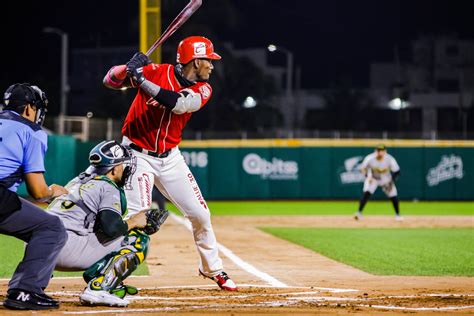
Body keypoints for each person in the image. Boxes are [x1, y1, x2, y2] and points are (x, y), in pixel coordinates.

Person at [103, 36, 237, 291]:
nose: (212, 65)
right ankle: (112, 275)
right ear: (196, 61)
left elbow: (178, 103)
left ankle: (212, 269)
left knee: (200, 214)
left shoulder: (204, 89)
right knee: (137, 216)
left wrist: (141, 81)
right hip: (136, 155)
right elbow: (109, 80)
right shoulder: (156, 72)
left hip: (170, 157)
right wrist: (127, 68)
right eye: (209, 60)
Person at [48, 140, 168, 307]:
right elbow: (111, 229)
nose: (127, 169)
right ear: (115, 168)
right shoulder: (107, 186)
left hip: (39, 250)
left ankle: (34, 280)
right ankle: (100, 288)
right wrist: (135, 222)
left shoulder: (77, 181)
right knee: (137, 239)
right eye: (124, 164)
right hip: (64, 250)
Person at [0, 83, 69, 310]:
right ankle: (25, 290)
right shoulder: (32, 131)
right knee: (51, 228)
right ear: (29, 108)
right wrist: (52, 193)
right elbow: (37, 192)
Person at [355, 145, 402, 220]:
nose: (380, 152)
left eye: (382, 150)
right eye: (378, 150)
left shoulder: (389, 159)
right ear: (375, 151)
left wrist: (391, 182)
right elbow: (362, 168)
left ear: (385, 151)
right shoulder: (370, 158)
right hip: (373, 178)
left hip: (386, 179)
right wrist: (367, 176)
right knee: (367, 192)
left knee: (393, 195)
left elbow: (397, 171)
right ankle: (359, 213)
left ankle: (398, 215)